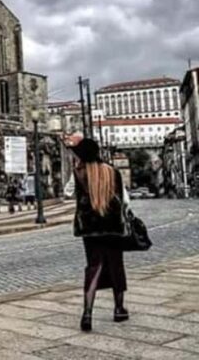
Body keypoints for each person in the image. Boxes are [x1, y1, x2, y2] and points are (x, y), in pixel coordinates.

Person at [72, 138, 128, 332]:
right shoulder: (112, 172)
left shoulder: (79, 173)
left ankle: (87, 313)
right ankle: (119, 309)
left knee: (94, 267)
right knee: (116, 265)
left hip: (90, 229)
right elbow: (122, 200)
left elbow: (76, 199)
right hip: (112, 226)